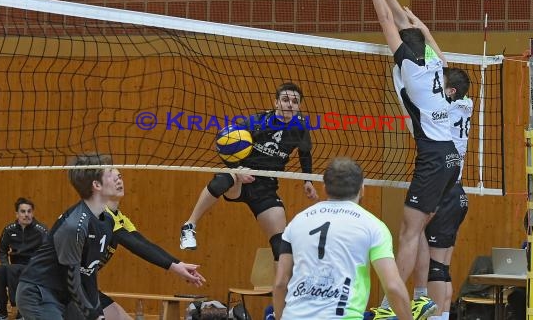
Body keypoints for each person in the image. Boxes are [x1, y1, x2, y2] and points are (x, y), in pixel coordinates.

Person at [356, 0, 460, 320]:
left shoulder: (411, 66)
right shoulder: (433, 60)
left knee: (407, 232)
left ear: (405, 45)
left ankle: (390, 307)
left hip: (433, 158)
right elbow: (405, 22)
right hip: (449, 157)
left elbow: (389, 20)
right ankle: (418, 296)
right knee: (416, 229)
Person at [180, 82, 318, 264]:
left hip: (266, 188)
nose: (290, 104)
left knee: (281, 247)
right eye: (285, 100)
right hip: (240, 178)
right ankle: (189, 225)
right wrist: (238, 169)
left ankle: (281, 291)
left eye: (295, 101)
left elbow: (305, 153)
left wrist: (307, 180)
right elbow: (225, 144)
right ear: (276, 103)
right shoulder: (256, 122)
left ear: (299, 106)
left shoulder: (300, 128)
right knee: (222, 180)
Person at [272, 157, 413, 319]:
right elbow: (393, 286)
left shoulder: (297, 222)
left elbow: (280, 282)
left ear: (324, 187)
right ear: (362, 188)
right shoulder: (373, 226)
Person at [66, 171, 206, 320]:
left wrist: (179, 264)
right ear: (97, 186)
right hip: (64, 288)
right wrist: (176, 267)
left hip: (84, 287)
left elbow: (142, 244)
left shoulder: (120, 219)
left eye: (120, 177)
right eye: (112, 178)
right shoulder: (97, 215)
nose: (119, 181)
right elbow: (133, 244)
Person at [16, 153, 119, 320]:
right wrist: (92, 314)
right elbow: (73, 280)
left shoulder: (105, 220)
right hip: (39, 292)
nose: (117, 176)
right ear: (96, 185)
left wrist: (97, 311)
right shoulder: (75, 226)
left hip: (65, 294)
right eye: (110, 173)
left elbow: (89, 273)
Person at [413, 67, 473, 320]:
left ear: (450, 91)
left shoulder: (442, 111)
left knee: (436, 268)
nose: (435, 87)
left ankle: (434, 315)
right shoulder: (466, 104)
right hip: (457, 193)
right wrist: (424, 32)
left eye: (441, 84)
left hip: (446, 194)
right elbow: (449, 72)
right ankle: (442, 316)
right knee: (443, 268)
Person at [0, 198, 48, 320]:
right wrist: (5, 265)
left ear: (33, 213)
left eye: (29, 211)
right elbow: (2, 250)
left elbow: (49, 253)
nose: (26, 215)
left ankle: (22, 310)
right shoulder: (9, 229)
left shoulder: (41, 230)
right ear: (17, 214)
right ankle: (0, 311)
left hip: (33, 267)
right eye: (23, 211)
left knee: (13, 270)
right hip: (13, 267)